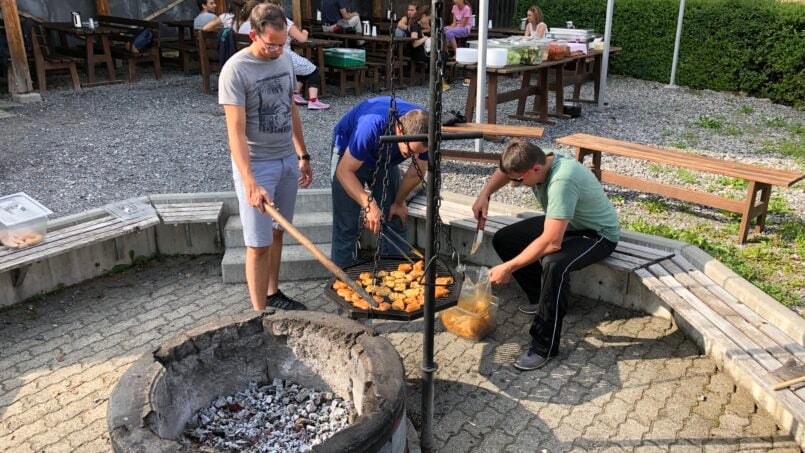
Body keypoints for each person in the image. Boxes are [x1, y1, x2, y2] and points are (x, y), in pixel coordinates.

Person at [472, 140, 619, 370]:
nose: (515, 184)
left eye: (519, 181)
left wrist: (508, 267)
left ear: (535, 169)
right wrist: (485, 195)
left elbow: (552, 242)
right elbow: (505, 172)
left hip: (597, 234)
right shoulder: (539, 157)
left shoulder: (562, 180)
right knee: (505, 239)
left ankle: (544, 346)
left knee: (553, 263)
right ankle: (541, 299)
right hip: (568, 222)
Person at [219, 3, 313, 311]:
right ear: (253, 35)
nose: (278, 50)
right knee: (258, 244)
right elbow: (235, 133)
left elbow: (291, 108)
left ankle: (273, 294)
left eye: (283, 43)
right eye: (271, 44)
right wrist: (249, 181)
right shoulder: (236, 70)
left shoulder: (284, 59)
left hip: (286, 160)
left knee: (277, 232)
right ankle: (259, 316)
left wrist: (302, 154)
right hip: (257, 166)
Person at [330, 97, 429, 267]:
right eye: (411, 152)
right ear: (400, 131)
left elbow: (416, 172)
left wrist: (398, 202)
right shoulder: (370, 126)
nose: (415, 156)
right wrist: (369, 204)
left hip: (386, 158)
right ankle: (342, 276)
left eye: (419, 153)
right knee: (346, 225)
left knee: (395, 217)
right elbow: (343, 171)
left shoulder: (425, 130)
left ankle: (396, 271)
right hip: (349, 155)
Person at [244, 0, 329, 109]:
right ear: (279, 6)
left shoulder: (257, 22)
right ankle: (313, 100)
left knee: (302, 65)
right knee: (312, 69)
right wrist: (305, 32)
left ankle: (296, 93)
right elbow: (302, 39)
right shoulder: (283, 22)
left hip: (268, 56)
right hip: (283, 55)